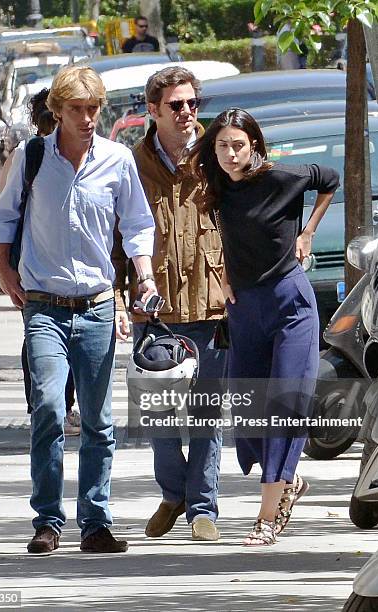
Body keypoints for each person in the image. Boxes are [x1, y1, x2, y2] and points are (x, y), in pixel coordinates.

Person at [0, 66, 156, 554]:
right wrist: (3, 264)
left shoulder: (117, 159)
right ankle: (47, 519)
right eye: (77, 110)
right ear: (57, 111)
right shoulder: (34, 155)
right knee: (47, 406)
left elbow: (137, 224)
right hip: (44, 306)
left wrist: (143, 277)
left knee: (100, 421)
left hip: (99, 307)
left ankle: (95, 522)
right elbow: (4, 216)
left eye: (93, 109)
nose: (87, 119)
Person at [189, 108, 339, 545]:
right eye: (222, 146)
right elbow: (217, 236)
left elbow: (327, 178)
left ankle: (266, 517)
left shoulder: (280, 178)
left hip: (290, 304)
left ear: (254, 145)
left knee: (283, 407)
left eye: (239, 145)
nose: (231, 154)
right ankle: (288, 483)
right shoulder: (216, 188)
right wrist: (222, 273)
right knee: (250, 413)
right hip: (244, 311)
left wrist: (307, 231)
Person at [113, 66, 226, 542]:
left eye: (192, 104)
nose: (186, 113)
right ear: (152, 111)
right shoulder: (129, 164)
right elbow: (116, 237)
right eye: (175, 105)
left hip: (212, 302)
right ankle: (173, 491)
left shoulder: (221, 156)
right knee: (158, 415)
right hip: (154, 310)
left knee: (205, 413)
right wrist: (121, 299)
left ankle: (202, 509)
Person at [0, 88, 80, 436]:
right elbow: (4, 209)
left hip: (77, 268)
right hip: (31, 261)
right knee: (39, 331)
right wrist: (4, 263)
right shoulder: (28, 154)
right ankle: (45, 405)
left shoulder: (93, 154)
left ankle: (63, 404)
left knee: (74, 334)